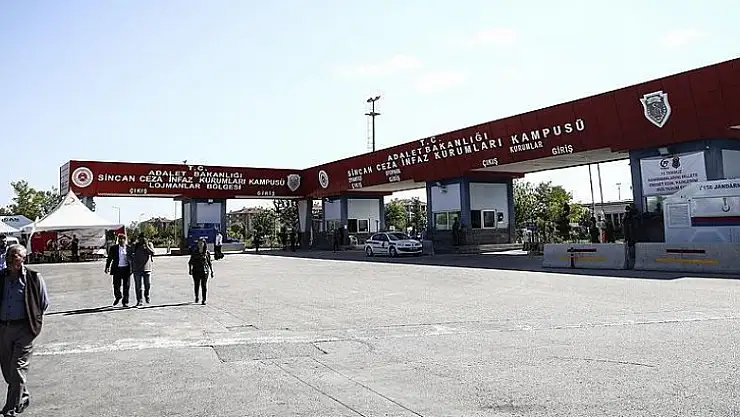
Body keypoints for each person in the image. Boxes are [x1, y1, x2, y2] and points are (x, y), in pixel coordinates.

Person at [0, 244, 49, 416]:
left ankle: (10, 408)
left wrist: (33, 323)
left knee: (18, 369)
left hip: (24, 330)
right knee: (7, 370)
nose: (10, 259)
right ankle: (23, 395)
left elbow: (43, 303)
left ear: (23, 258)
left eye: (14, 256)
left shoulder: (34, 278)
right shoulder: (1, 277)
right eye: (8, 255)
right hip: (3, 329)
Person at [105, 234, 132, 307]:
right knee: (116, 285)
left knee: (126, 286)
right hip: (117, 269)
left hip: (126, 269)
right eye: (119, 239)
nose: (120, 240)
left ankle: (125, 302)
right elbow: (109, 258)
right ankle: (118, 296)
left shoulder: (129, 248)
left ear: (125, 240)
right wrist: (107, 267)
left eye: (122, 239)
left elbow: (133, 258)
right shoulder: (114, 248)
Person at [131, 235, 155, 307]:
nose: (142, 240)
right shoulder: (135, 245)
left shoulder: (149, 244)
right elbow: (129, 254)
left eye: (143, 238)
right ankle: (139, 300)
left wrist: (146, 245)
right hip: (137, 269)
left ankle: (146, 294)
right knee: (138, 286)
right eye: (140, 238)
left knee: (148, 284)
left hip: (147, 268)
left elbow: (152, 253)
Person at [188, 238, 213, 305]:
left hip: (205, 271)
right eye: (199, 243)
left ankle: (204, 299)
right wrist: (190, 270)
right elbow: (190, 262)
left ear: (204, 244)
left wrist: (211, 271)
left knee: (204, 285)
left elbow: (209, 262)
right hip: (196, 271)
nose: (200, 244)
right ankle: (196, 297)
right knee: (196, 285)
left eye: (202, 243)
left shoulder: (207, 253)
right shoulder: (195, 252)